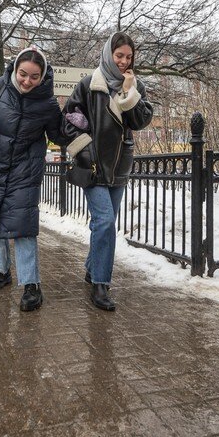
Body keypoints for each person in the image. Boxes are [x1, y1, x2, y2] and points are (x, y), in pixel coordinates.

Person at [0, 47, 66, 312]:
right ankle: (2, 271)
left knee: (23, 228)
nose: (27, 81)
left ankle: (31, 285)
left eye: (34, 77)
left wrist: (74, 122)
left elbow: (59, 133)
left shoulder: (46, 103)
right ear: (15, 70)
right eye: (23, 74)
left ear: (42, 76)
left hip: (25, 171)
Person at [62, 32, 153, 311]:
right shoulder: (90, 85)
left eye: (129, 57)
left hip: (119, 165)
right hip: (93, 164)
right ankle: (101, 284)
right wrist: (84, 147)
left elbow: (140, 121)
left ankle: (92, 268)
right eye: (119, 56)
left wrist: (128, 93)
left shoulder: (135, 86)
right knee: (104, 222)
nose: (124, 62)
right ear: (108, 54)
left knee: (104, 222)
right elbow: (68, 121)